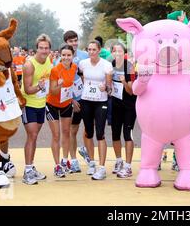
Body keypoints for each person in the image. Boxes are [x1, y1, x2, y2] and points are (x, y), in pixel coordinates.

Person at [78, 40, 113, 180]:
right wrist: (87, 88)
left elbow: (110, 88)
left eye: (94, 49)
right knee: (88, 132)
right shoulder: (83, 64)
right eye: (89, 49)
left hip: (101, 102)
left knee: (100, 133)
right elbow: (82, 78)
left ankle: (102, 167)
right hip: (86, 100)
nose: (91, 52)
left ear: (99, 50)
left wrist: (106, 88)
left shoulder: (106, 65)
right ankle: (92, 162)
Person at [20, 34, 53, 185]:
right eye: (41, 48)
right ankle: (27, 171)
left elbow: (48, 84)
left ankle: (31, 167)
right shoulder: (29, 65)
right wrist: (39, 86)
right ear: (36, 48)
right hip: (29, 104)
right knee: (32, 135)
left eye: (46, 48)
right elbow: (27, 90)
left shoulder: (49, 62)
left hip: (41, 104)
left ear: (49, 49)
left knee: (34, 136)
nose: (44, 51)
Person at [58, 30, 91, 173]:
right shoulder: (59, 60)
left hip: (86, 97)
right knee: (73, 130)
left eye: (76, 40)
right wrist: (71, 99)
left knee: (89, 128)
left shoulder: (84, 55)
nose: (74, 43)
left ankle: (84, 149)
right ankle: (74, 160)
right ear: (66, 43)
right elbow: (60, 83)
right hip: (70, 100)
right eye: (71, 41)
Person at [46, 45, 78, 178]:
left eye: (68, 55)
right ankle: (57, 165)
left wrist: (73, 100)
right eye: (63, 55)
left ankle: (65, 161)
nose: (66, 58)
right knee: (56, 135)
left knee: (66, 132)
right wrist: (59, 84)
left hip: (66, 103)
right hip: (52, 104)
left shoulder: (74, 67)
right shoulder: (55, 70)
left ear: (72, 56)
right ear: (60, 55)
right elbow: (52, 91)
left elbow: (72, 85)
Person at [110, 42, 137, 178]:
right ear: (112, 53)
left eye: (120, 51)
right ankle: (119, 161)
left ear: (124, 53)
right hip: (115, 104)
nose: (118, 54)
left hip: (129, 106)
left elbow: (131, 91)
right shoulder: (111, 65)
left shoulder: (130, 67)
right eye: (115, 51)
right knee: (115, 134)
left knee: (127, 134)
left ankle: (128, 166)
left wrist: (124, 81)